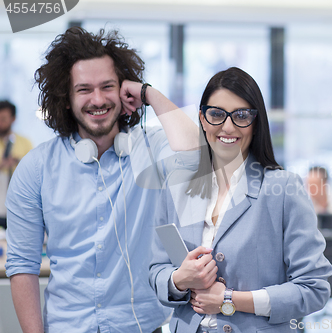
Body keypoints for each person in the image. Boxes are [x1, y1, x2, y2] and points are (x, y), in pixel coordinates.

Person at [5, 27, 198, 333]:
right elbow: (22, 265)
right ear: (66, 99)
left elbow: (200, 153)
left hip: (142, 327)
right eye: (83, 89)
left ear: (124, 92)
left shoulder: (151, 149)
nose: (97, 99)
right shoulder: (36, 168)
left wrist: (149, 93)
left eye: (107, 86)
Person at [149, 67, 332, 333]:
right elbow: (156, 269)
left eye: (241, 116)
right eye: (216, 114)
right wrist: (179, 279)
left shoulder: (283, 190)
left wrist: (229, 301)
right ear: (202, 118)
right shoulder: (176, 187)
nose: (227, 127)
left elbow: (313, 288)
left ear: (256, 122)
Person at [0, 100, 32, 230]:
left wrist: (18, 163)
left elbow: (34, 171)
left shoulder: (24, 143)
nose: (0, 123)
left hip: (18, 205)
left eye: (3, 119)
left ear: (13, 119)